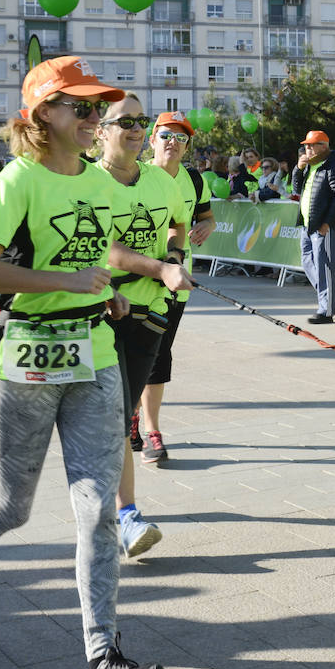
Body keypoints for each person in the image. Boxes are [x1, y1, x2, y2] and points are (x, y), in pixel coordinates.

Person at [0, 55, 174, 669]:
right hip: (21, 364)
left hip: (93, 356)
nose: (96, 119)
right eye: (83, 108)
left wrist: (110, 296)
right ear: (43, 114)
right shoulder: (15, 183)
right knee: (12, 507)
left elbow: (90, 254)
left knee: (96, 509)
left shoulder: (95, 181)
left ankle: (101, 657)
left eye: (99, 109)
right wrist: (65, 285)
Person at [95, 95, 190, 558]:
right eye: (124, 121)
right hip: (99, 311)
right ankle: (125, 515)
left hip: (151, 314)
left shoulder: (159, 179)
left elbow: (177, 225)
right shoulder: (89, 182)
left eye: (140, 120)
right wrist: (159, 268)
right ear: (100, 130)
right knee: (112, 418)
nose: (135, 128)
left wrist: (174, 258)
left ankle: (116, 511)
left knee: (120, 414)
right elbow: (106, 249)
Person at [136, 111, 214, 465]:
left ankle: (152, 430)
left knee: (156, 355)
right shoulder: (131, 176)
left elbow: (205, 216)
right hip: (128, 284)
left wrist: (207, 227)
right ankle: (130, 414)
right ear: (152, 140)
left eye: (181, 138)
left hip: (174, 286)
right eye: (166, 135)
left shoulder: (194, 180)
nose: (173, 143)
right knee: (127, 357)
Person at [292, 130, 335, 324]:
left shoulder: (332, 166)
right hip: (308, 225)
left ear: (323, 147)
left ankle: (326, 310)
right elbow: (296, 188)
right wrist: (298, 169)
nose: (307, 149)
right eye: (306, 146)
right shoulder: (311, 166)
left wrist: (327, 223)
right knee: (307, 261)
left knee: (324, 267)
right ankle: (334, 298)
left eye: (311, 145)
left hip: (322, 226)